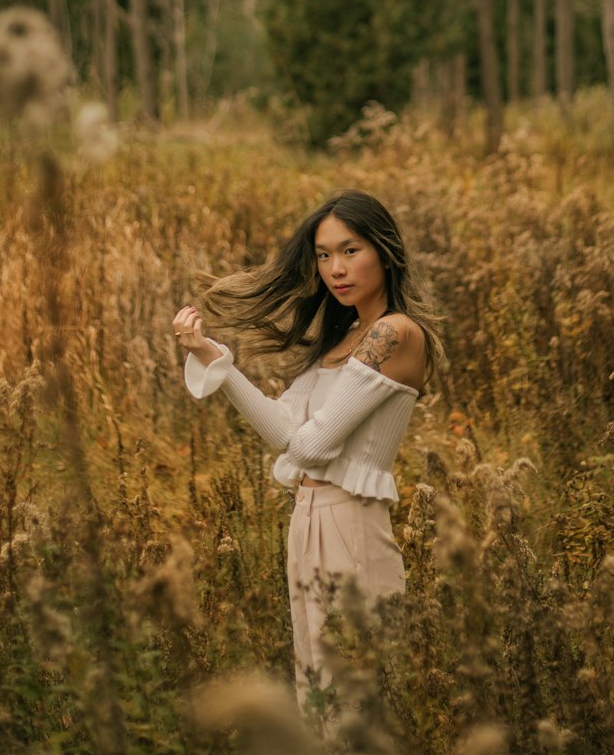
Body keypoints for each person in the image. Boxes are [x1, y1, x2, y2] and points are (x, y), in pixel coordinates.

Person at [172, 189, 442, 705]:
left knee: (354, 698)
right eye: (323, 255)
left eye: (350, 250)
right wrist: (214, 358)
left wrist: (301, 442)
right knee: (315, 693)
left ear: (384, 253)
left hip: (352, 524)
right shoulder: (346, 338)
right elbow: (281, 430)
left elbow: (313, 447)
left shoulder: (395, 333)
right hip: (309, 519)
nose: (335, 268)